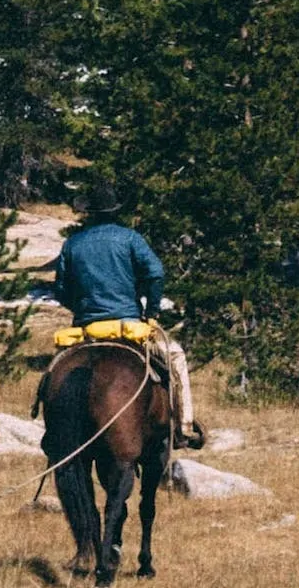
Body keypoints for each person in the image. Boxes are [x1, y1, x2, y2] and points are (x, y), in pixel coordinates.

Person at [48, 181, 201, 445]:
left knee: (54, 374)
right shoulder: (130, 239)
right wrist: (151, 311)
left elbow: (60, 288)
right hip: (128, 323)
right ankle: (183, 426)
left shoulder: (73, 244)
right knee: (175, 358)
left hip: (86, 328)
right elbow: (155, 273)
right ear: (116, 211)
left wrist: (83, 307)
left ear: (90, 212)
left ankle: (52, 434)